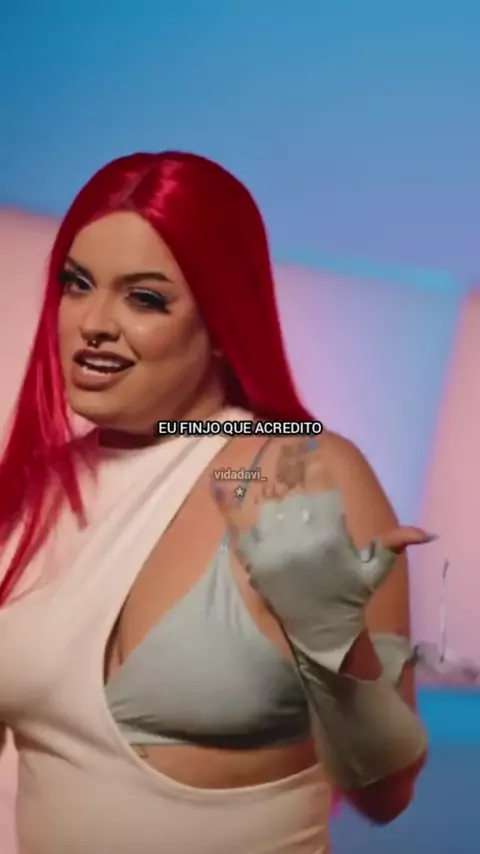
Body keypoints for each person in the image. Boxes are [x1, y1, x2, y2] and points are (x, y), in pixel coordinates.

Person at [0, 151, 429, 854]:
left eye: (145, 299)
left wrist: (332, 640)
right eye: (77, 284)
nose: (93, 322)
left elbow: (387, 794)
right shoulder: (33, 492)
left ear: (224, 323)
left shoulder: (302, 468)